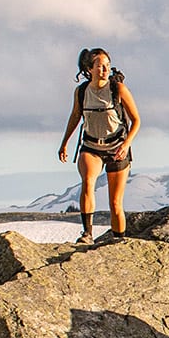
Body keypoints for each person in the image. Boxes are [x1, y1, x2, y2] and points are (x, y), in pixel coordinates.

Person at [55, 48, 141, 243]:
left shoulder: (118, 89)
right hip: (91, 146)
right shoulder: (82, 91)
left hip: (117, 147)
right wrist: (64, 143)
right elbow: (75, 116)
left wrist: (126, 145)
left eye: (107, 66)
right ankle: (87, 234)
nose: (104, 70)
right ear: (89, 69)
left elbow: (136, 120)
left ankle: (119, 240)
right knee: (87, 182)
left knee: (115, 203)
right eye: (100, 66)